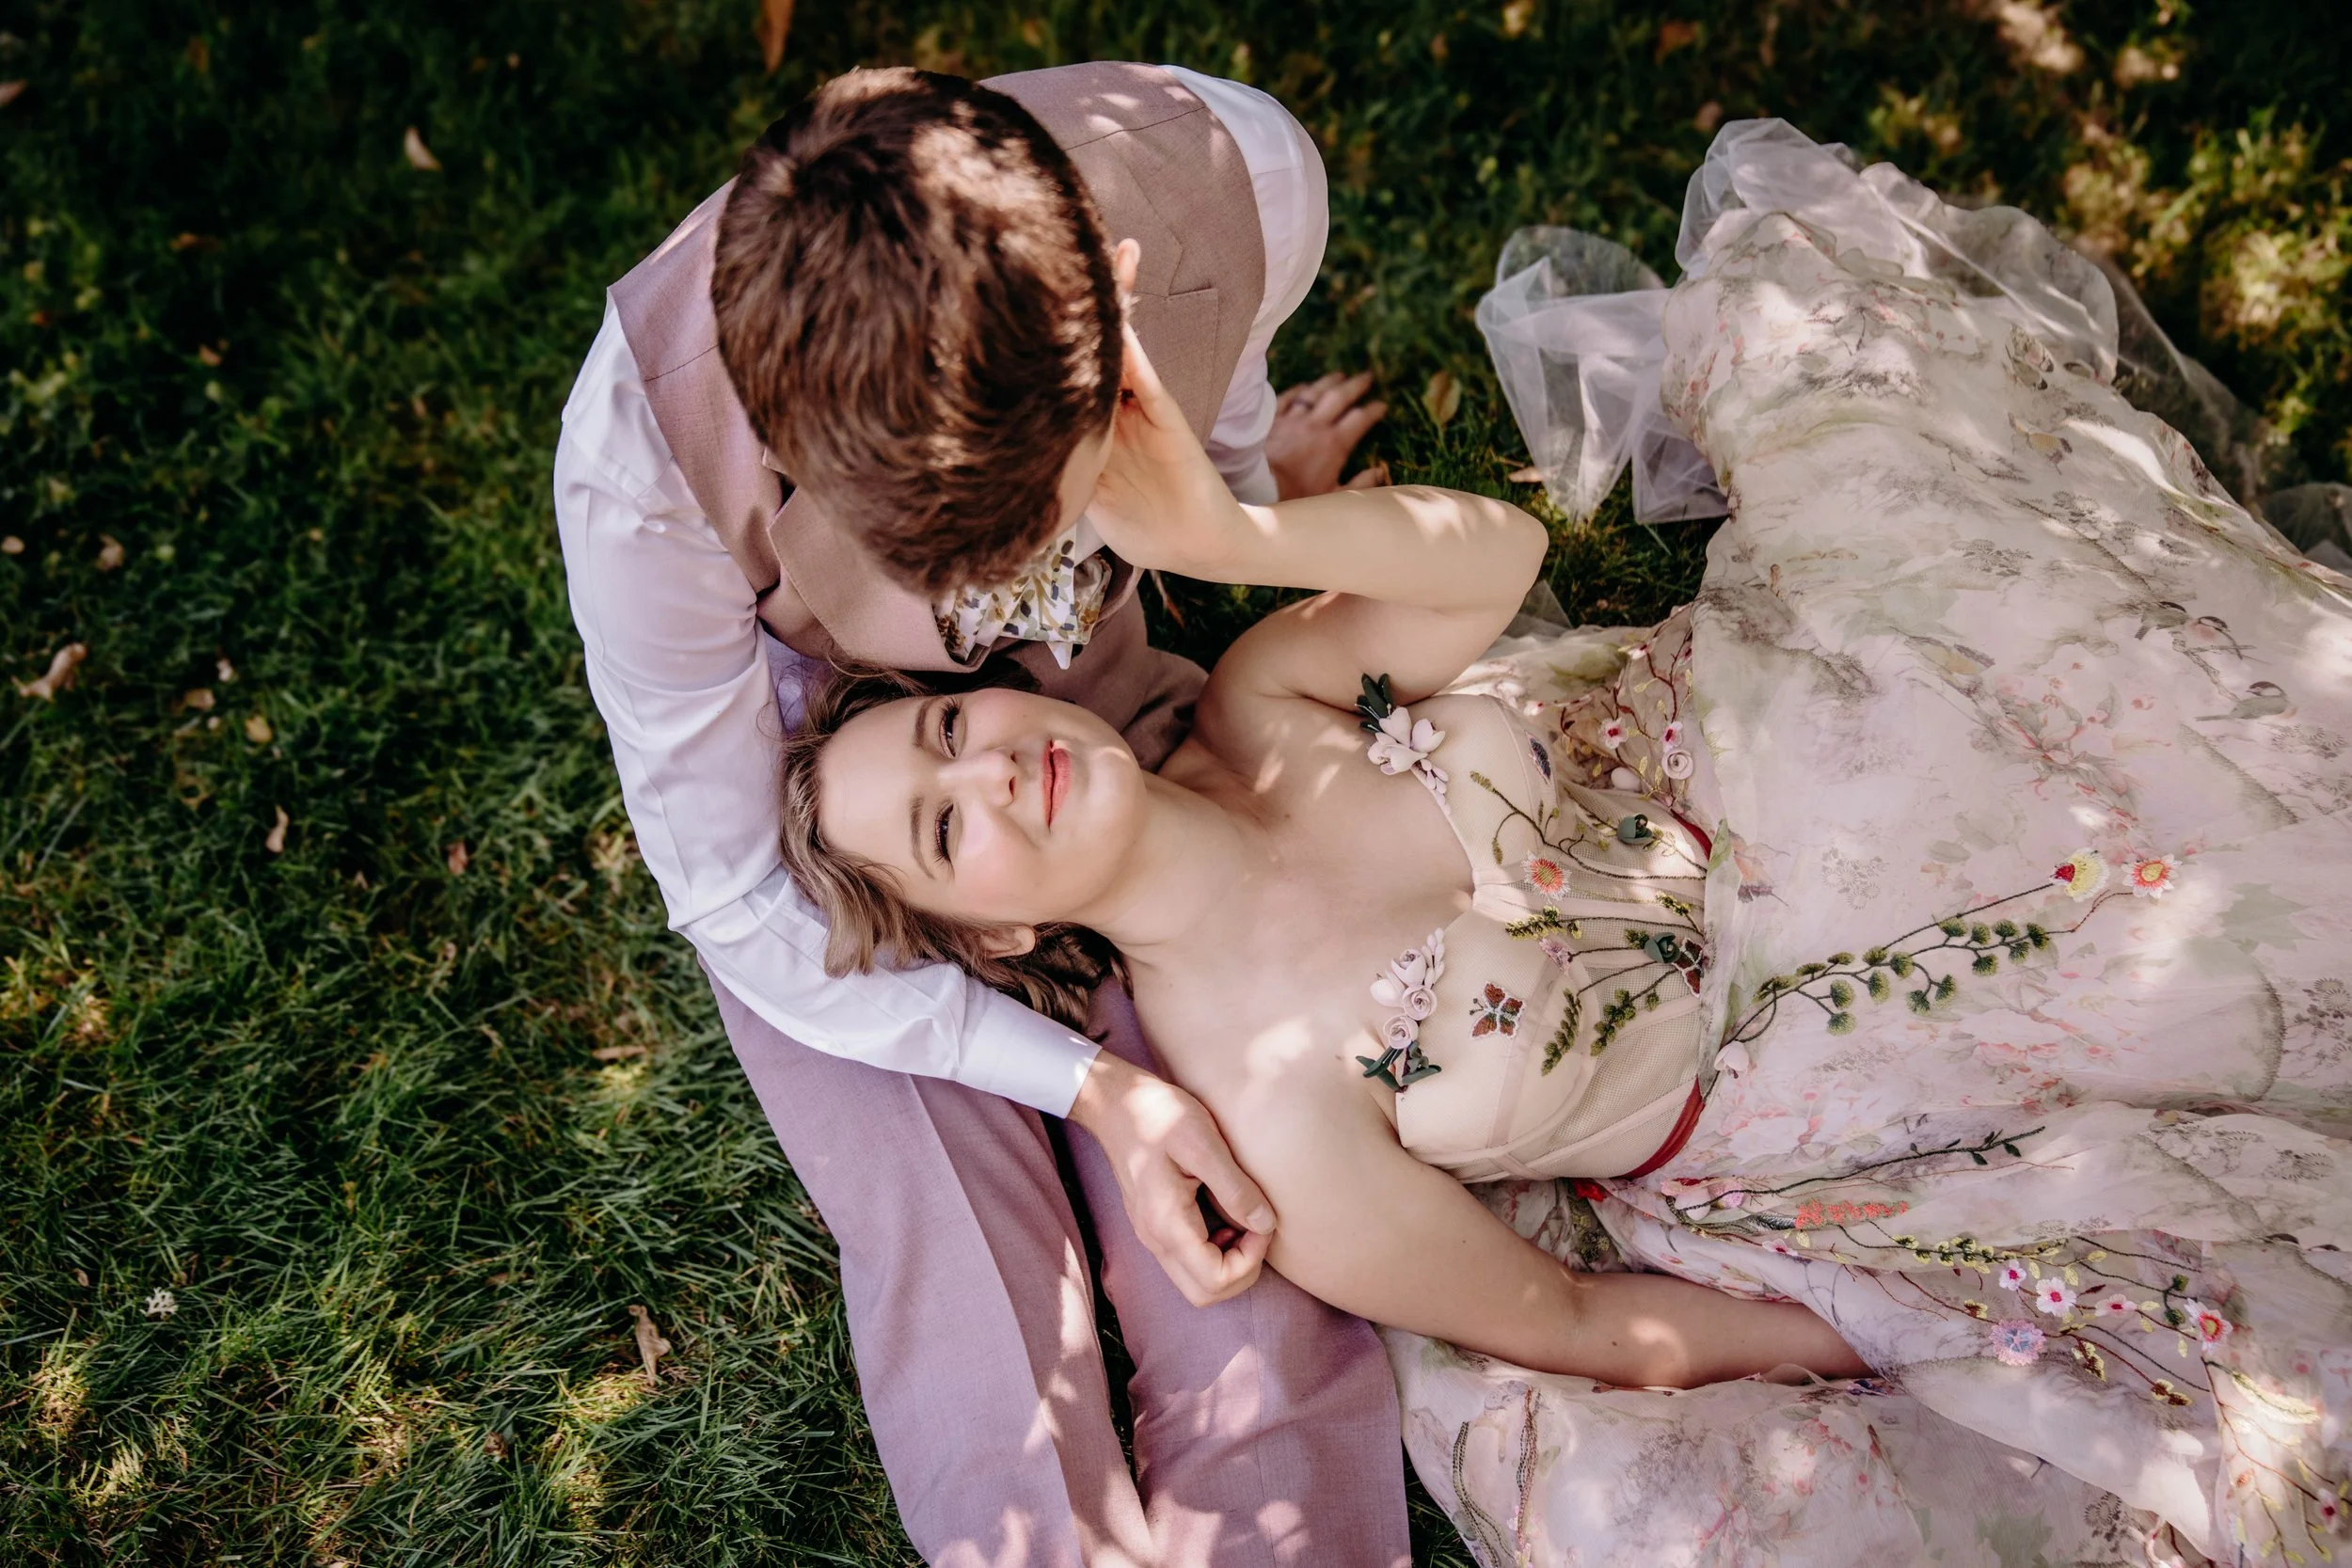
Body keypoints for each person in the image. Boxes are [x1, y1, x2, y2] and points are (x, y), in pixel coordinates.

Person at [779, 121, 2352, 1564]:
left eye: (945, 734)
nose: (989, 773)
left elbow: (1499, 557)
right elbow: (1571, 1315)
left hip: (1834, 742)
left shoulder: (1271, 698)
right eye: (941, 829)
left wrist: (1233, 541)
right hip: (1864, 1063)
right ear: (987, 937)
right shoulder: (1281, 1124)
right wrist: (1880, 1330)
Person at [554, 63, 1406, 1568]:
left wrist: (1250, 497)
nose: (971, 611)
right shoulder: (646, 475)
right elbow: (750, 898)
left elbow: (1221, 416)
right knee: (927, 1168)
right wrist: (1092, 1091)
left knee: (1238, 1110)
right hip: (815, 741)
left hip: (1087, 676)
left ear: (1114, 300)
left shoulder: (1248, 180)